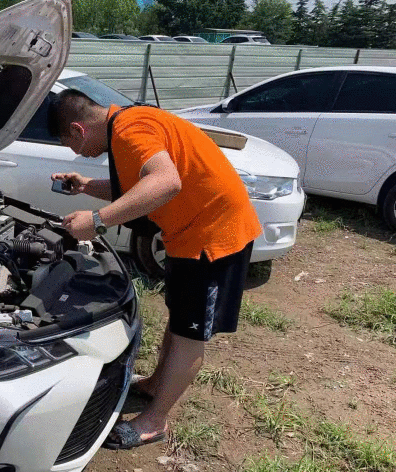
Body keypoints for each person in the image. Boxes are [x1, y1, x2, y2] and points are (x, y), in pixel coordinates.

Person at [47, 89, 262, 450]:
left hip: (213, 237)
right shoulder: (128, 126)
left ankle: (154, 421)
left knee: (189, 335)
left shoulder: (131, 131)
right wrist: (86, 187)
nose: (75, 153)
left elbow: (166, 182)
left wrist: (97, 222)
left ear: (78, 129)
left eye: (69, 143)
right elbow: (138, 190)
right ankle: (155, 384)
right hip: (191, 235)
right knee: (179, 320)